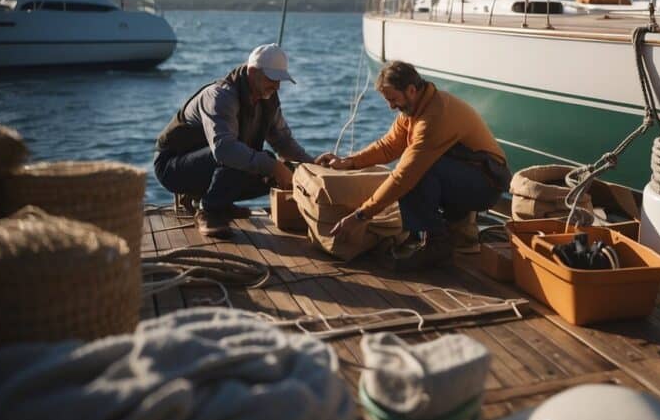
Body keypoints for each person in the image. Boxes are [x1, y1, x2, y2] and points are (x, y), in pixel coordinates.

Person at [322, 61, 510, 271]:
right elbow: (388, 146)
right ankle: (442, 234)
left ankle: (438, 245)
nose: (391, 106)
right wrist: (349, 162)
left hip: (487, 184)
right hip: (465, 173)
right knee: (418, 170)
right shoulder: (415, 108)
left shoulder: (433, 117)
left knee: (415, 173)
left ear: (411, 90)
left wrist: (360, 216)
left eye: (393, 99)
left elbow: (404, 175)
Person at [153, 44, 331, 237]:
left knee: (270, 162)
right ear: (253, 72)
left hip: (211, 162)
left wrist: (311, 164)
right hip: (171, 166)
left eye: (280, 80)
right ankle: (209, 210)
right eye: (273, 79)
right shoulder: (220, 96)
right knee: (245, 159)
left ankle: (220, 202)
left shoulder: (268, 98)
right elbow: (224, 151)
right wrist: (274, 167)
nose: (277, 86)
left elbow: (284, 142)